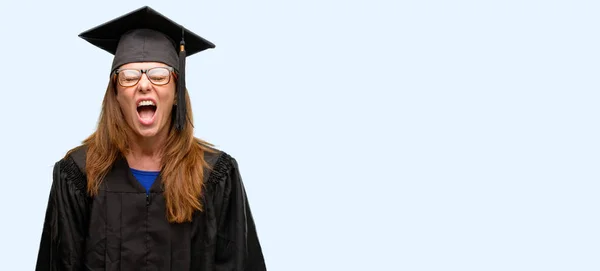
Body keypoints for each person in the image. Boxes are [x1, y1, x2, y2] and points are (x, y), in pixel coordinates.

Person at [35, 6, 266, 270]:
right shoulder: (79, 177)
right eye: (129, 77)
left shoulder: (215, 177)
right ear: (115, 94)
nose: (144, 85)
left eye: (159, 75)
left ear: (177, 91)